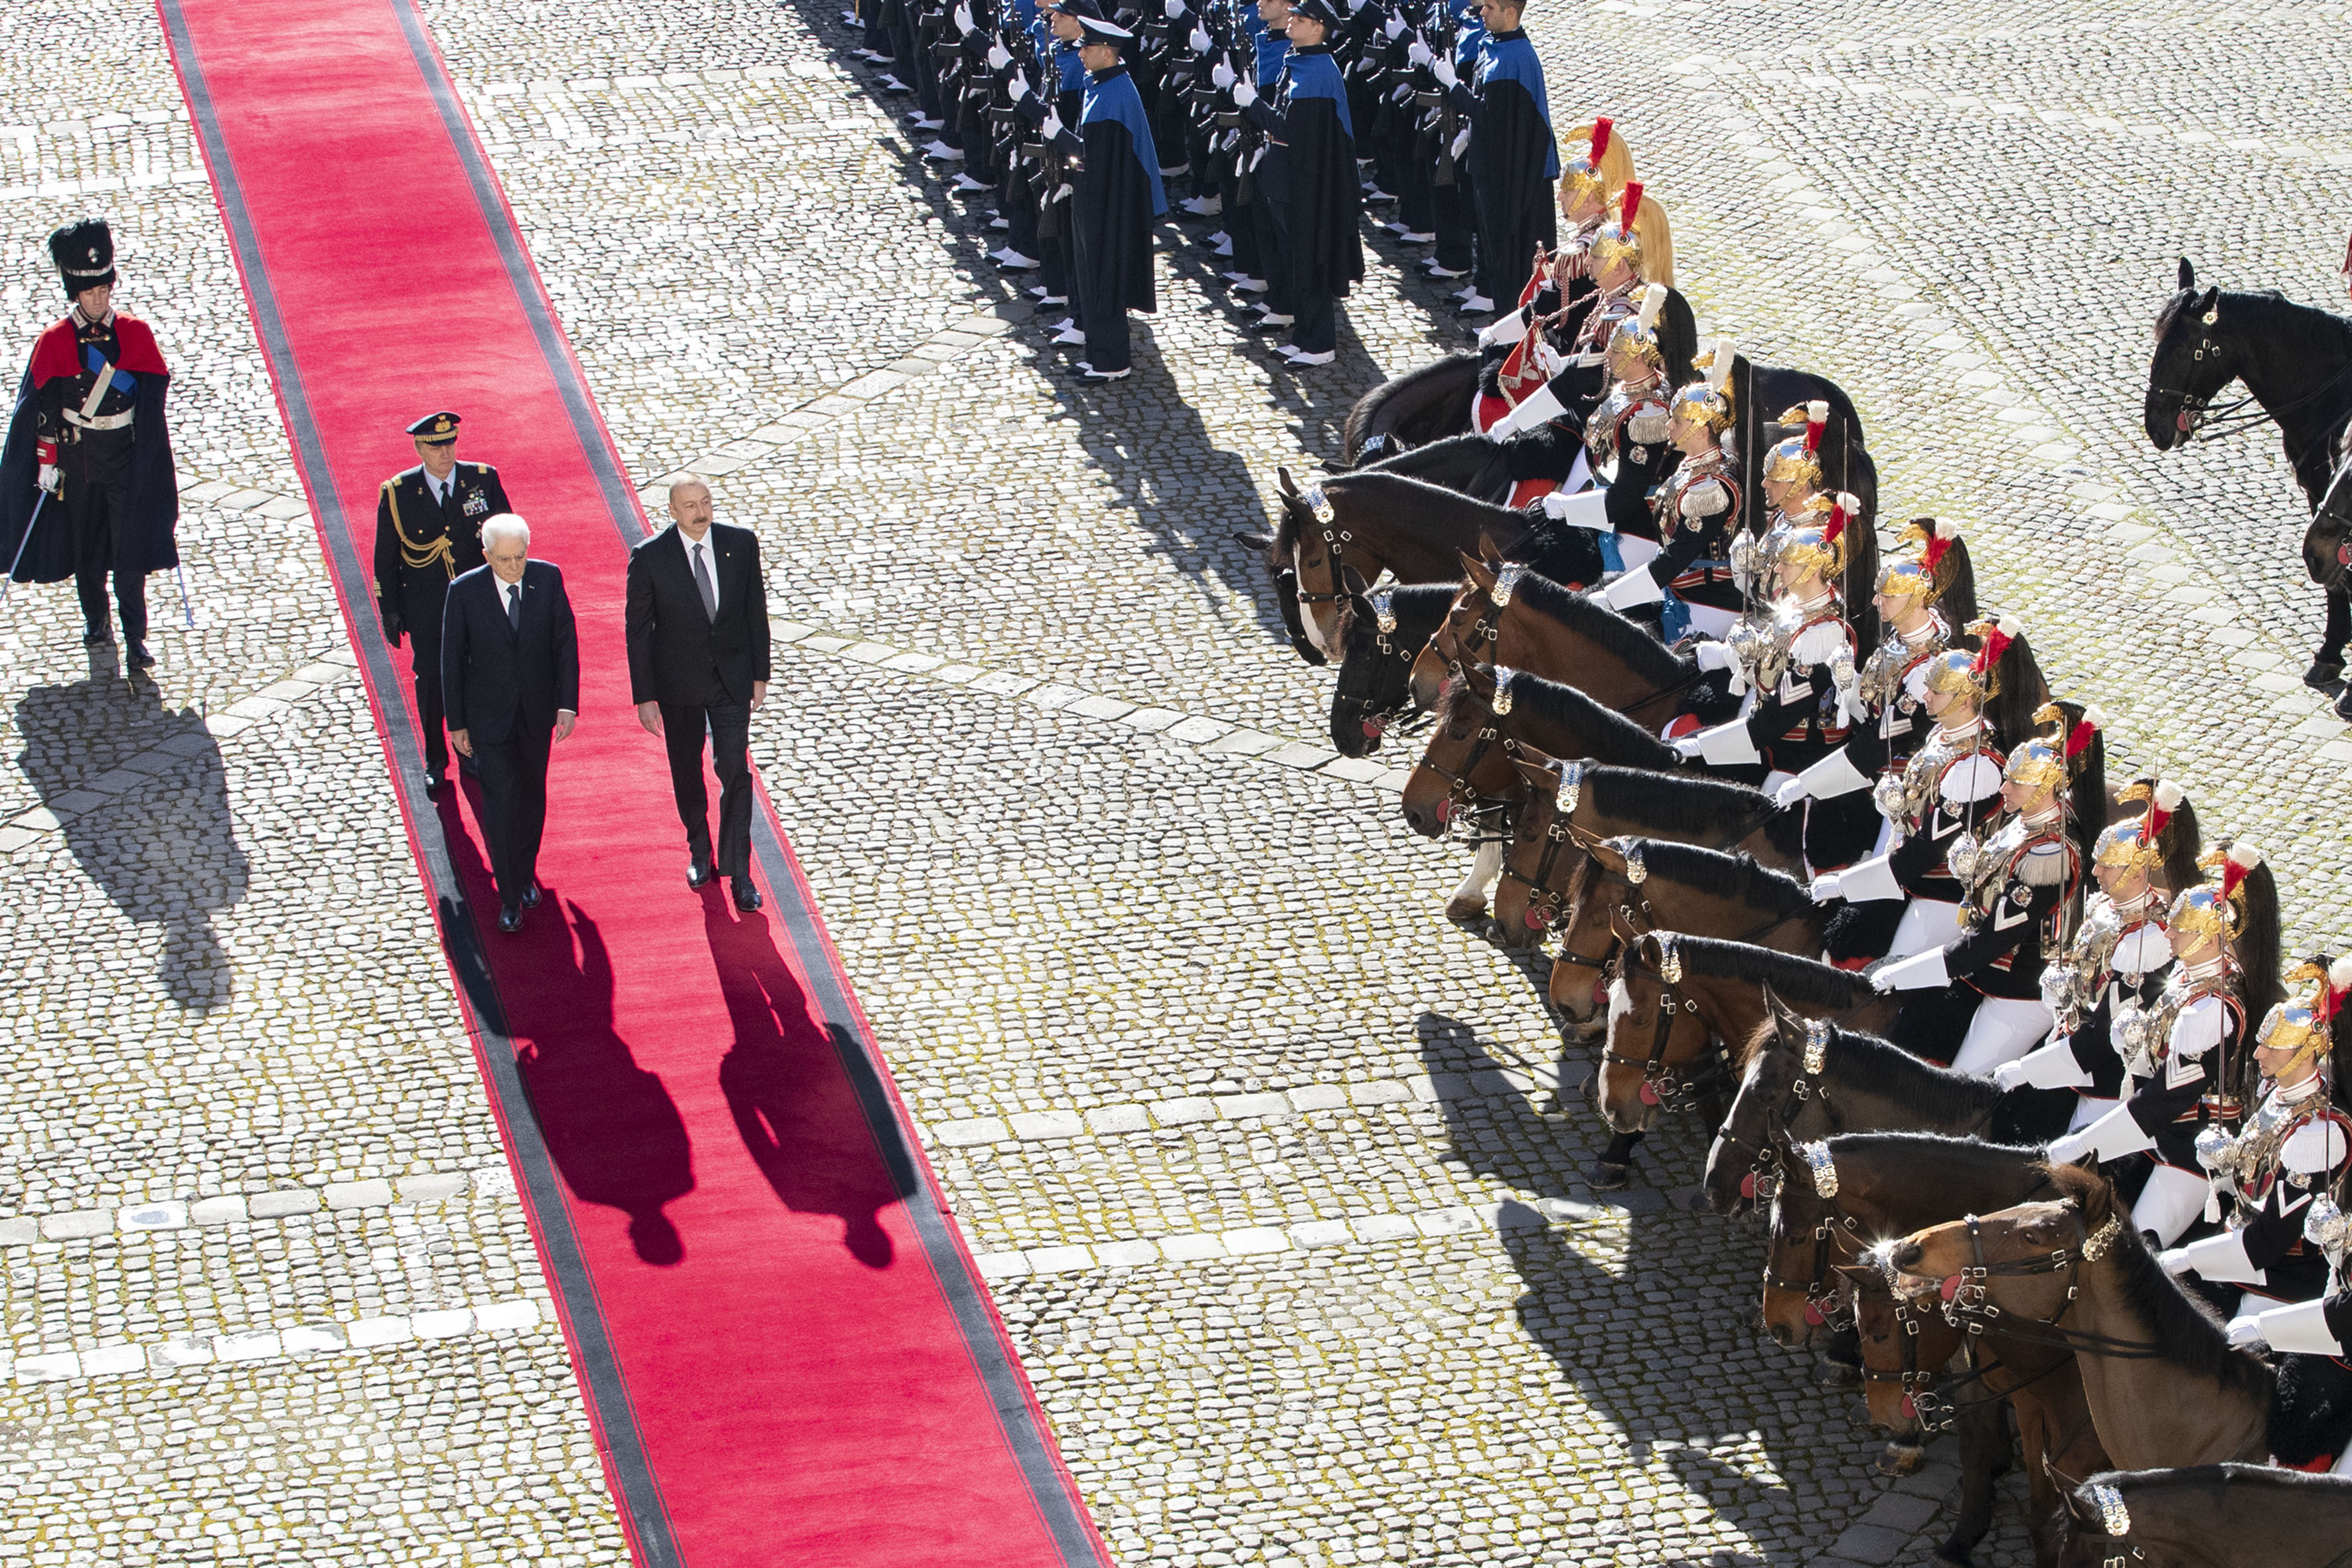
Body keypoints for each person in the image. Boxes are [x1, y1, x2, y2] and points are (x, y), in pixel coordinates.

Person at [2050, 841, 2283, 1248]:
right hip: (2157, 1131)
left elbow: (2166, 1097)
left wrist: (2085, 1141)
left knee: (2133, 1253)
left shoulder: (2214, 1009)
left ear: (2209, 938)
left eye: (2181, 929)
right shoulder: (2187, 976)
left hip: (2189, 1148)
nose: (2169, 933)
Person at [1869, 700, 2104, 1077]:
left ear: (2047, 787)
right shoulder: (2025, 821)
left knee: (1962, 1081)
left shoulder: (2050, 855)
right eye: (2007, 777)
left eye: (2016, 782)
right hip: (1982, 973)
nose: (2003, 787)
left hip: (2019, 992)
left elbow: (1992, 940)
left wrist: (1903, 973)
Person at [0, 218, 180, 669]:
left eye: (103, 290)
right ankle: (96, 619)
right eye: (89, 293)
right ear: (75, 294)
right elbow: (41, 407)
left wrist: (152, 457)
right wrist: (46, 460)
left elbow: (151, 397)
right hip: (78, 461)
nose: (98, 300)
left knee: (130, 550)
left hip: (124, 459)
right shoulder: (55, 341)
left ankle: (136, 637)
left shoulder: (135, 334)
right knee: (88, 547)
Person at [1998, 780, 2201, 1133]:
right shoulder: (2105, 907)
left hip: (2104, 1074)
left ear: (2137, 872)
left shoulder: (2149, 939)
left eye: (2107, 866)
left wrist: (2027, 1069)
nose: (2095, 873)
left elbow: (2106, 1030)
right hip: (2068, 1042)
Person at [626, 477, 772, 913]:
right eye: (689, 505)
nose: (700, 512)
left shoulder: (739, 544)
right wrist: (644, 696)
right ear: (672, 511)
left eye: (705, 502)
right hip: (678, 684)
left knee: (735, 772)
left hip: (731, 679)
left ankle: (739, 869)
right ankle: (699, 849)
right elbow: (638, 630)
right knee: (687, 771)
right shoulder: (650, 556)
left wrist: (759, 674)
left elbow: (755, 609)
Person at [443, 514, 580, 935]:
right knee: (501, 803)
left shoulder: (548, 579)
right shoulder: (464, 591)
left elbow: (565, 644)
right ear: (487, 555)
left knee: (532, 798)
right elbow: (451, 661)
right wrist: (457, 723)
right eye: (504, 560)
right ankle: (508, 897)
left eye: (520, 557)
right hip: (489, 719)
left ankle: (524, 873)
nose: (514, 566)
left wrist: (568, 705)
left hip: (536, 714)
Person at [372, 411, 510, 797]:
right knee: (432, 682)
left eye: (449, 443)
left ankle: (473, 751)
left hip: (478, 604)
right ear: (419, 448)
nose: (445, 453)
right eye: (435, 447)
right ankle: (435, 758)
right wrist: (390, 609)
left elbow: (507, 536)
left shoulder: (482, 479)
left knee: (477, 678)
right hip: (428, 608)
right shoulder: (398, 492)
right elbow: (386, 557)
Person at [1026, 11, 1166, 380]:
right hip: (1095, 196)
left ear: (1107, 52)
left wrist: (1058, 135)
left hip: (1109, 204)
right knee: (1091, 275)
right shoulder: (1103, 84)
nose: (1081, 53)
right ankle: (1098, 354)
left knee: (1104, 279)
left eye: (1087, 47)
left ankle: (1111, 361)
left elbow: (1095, 154)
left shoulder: (1114, 93)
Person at [1230, 0, 1361, 365]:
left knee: (1308, 264)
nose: (1293, 20)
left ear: (1318, 28)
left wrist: (1252, 104)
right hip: (1287, 179)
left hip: (1306, 186)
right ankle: (1304, 335)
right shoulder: (1300, 60)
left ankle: (1319, 344)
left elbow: (1292, 130)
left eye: (1302, 19)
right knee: (1293, 261)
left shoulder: (1317, 72)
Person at [1411, 0, 1556, 315]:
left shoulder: (1513, 58)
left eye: (1490, 7)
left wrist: (1448, 80)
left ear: (1510, 12)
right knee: (1493, 248)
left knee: (1508, 256)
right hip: (1494, 165)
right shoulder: (1498, 46)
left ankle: (1508, 323)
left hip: (1510, 174)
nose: (1482, 12)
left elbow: (1487, 113)